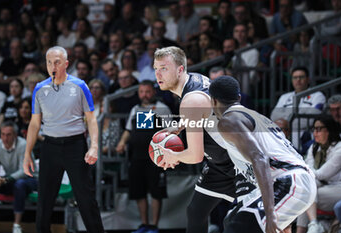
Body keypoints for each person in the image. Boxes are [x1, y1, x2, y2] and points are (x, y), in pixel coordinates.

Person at [153, 46, 254, 233]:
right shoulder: (197, 79)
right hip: (220, 162)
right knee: (196, 212)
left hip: (240, 161)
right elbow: (204, 114)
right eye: (156, 68)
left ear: (180, 69)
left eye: (164, 68)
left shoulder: (190, 100)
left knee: (239, 223)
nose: (158, 74)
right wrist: (181, 125)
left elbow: (195, 156)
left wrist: (172, 156)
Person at [208, 75, 316, 233]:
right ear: (238, 97)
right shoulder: (259, 117)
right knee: (231, 218)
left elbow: (260, 158)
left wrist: (270, 212)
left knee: (237, 227)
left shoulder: (228, 121)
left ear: (214, 101)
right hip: (294, 180)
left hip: (289, 181)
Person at [23, 46, 104, 233]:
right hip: (50, 146)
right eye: (49, 62)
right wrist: (27, 154)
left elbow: (91, 118)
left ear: (66, 64)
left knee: (85, 198)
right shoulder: (39, 88)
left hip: (75, 146)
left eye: (57, 62)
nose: (53, 65)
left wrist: (93, 146)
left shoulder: (80, 85)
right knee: (44, 200)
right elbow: (35, 124)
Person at [116, 80, 171, 233]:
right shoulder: (135, 109)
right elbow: (128, 130)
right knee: (139, 191)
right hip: (137, 156)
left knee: (156, 191)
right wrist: (121, 142)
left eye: (147, 92)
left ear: (154, 92)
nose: (144, 95)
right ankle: (144, 224)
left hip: (156, 156)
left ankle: (154, 226)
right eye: (141, 92)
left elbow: (171, 133)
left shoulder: (162, 109)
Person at [296, 116, 341, 233]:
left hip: (338, 187)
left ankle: (310, 227)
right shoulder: (313, 147)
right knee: (306, 191)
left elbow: (322, 174)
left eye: (319, 129)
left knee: (305, 195)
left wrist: (308, 174)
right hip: (319, 186)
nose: (315, 133)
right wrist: (308, 174)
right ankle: (313, 225)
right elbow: (308, 170)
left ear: (329, 130)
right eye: (314, 129)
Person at [0, 121, 37, 233]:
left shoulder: (23, 145)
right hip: (9, 179)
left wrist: (6, 179)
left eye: (8, 135)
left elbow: (24, 170)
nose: (5, 138)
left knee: (20, 185)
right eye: (2, 134)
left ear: (15, 135)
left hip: (30, 179)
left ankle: (16, 225)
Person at [270, 66, 326, 148]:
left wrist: (285, 120)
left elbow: (310, 119)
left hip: (305, 134)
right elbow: (274, 116)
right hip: (283, 132)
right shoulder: (284, 97)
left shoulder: (318, 95)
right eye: (295, 77)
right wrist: (295, 117)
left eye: (301, 77)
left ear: (308, 79)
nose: (298, 80)